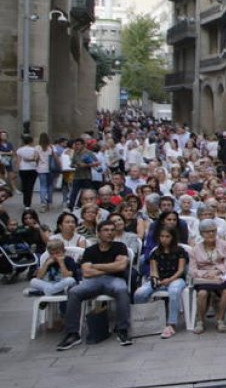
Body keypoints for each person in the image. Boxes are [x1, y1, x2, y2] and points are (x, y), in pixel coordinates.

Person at [57, 218, 133, 350]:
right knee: (74, 292)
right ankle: (72, 333)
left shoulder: (120, 247)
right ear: (98, 233)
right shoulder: (90, 250)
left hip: (114, 280)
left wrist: (96, 266)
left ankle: (122, 330)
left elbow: (121, 267)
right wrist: (111, 266)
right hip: (93, 281)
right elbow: (86, 272)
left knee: (122, 290)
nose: (110, 233)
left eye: (112, 230)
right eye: (106, 230)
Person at [133, 225, 189, 339]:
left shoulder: (180, 251)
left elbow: (181, 270)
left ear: (173, 237)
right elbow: (153, 270)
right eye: (162, 236)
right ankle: (145, 320)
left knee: (173, 291)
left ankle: (171, 324)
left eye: (167, 236)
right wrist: (155, 279)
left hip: (176, 278)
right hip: (160, 279)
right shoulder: (155, 252)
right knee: (139, 293)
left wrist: (169, 280)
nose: (164, 239)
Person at [190, 218, 226, 333]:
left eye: (213, 231)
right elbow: (193, 270)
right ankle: (200, 321)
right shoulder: (195, 249)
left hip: (220, 275)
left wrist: (218, 271)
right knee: (202, 293)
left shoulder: (224, 245)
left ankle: (220, 319)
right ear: (201, 233)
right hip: (203, 278)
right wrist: (207, 274)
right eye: (207, 231)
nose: (211, 234)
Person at [15, 134, 41, 210]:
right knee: (30, 186)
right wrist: (30, 159)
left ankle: (25, 202)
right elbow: (37, 159)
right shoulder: (35, 150)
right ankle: (28, 204)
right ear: (31, 141)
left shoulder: (19, 150)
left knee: (25, 186)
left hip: (23, 169)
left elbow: (18, 161)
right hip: (33, 169)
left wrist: (17, 170)